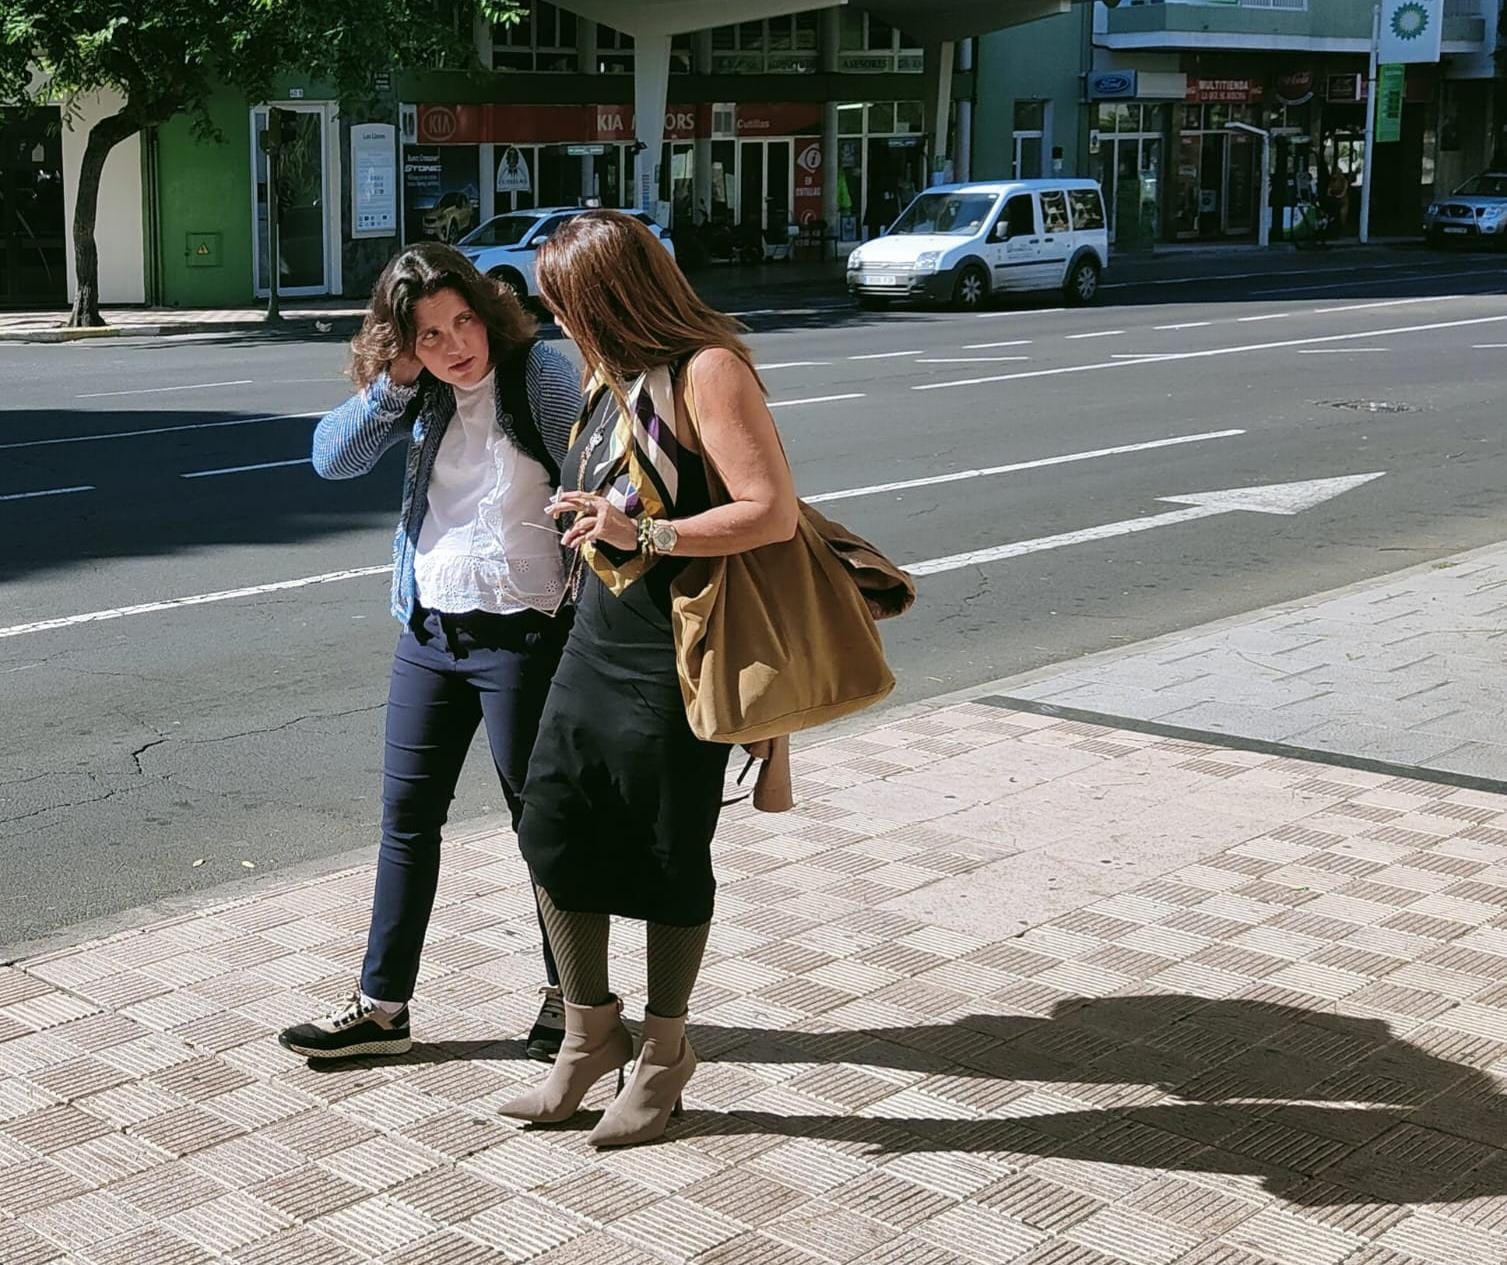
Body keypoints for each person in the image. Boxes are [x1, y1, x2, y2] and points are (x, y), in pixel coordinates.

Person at [496, 210, 799, 1148]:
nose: (557, 322)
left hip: (676, 652)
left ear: (608, 297)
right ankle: (588, 1035)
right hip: (595, 638)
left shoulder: (709, 370)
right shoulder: (608, 376)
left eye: (564, 304)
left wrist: (647, 532)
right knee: (552, 825)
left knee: (667, 855)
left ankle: (664, 1058)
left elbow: (770, 510)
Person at [277, 242, 582, 1062]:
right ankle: (383, 1007)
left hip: (524, 632)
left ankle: (572, 997)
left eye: (462, 321)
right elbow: (329, 459)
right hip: (431, 632)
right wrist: (396, 384)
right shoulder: (418, 391)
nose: (456, 345)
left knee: (540, 822)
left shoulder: (537, 376)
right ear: (404, 342)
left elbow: (601, 465)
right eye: (430, 335)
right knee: (407, 820)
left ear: (486, 311)